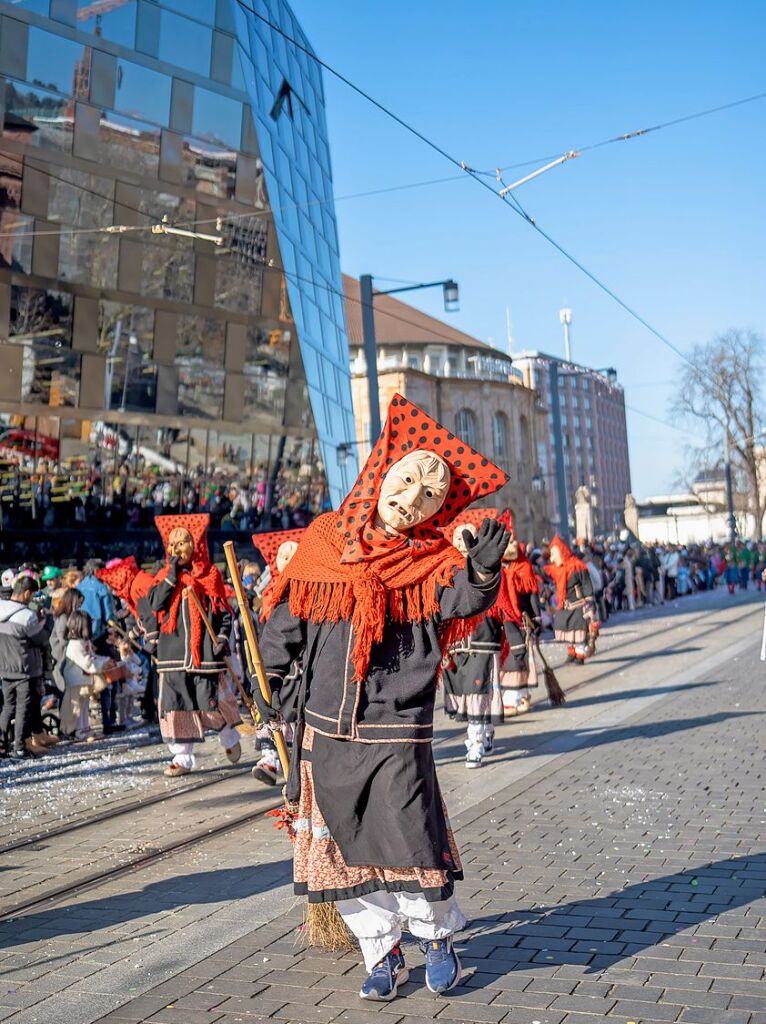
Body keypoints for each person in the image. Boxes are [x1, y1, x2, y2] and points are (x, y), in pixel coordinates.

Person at [259, 394, 510, 1001]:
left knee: (409, 839)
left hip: (398, 724)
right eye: (404, 484)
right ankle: (383, 951)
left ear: (439, 507)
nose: (410, 500)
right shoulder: (324, 539)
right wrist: (272, 688)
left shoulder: (432, 559)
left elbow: (462, 603)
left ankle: (437, 939)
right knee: (346, 846)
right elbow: (286, 625)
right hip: (326, 725)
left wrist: (479, 573)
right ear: (380, 475)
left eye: (429, 495)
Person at [146, 514, 241, 777]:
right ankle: (182, 757)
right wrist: (172, 577)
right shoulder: (165, 576)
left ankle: (228, 735)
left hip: (205, 654)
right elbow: (155, 606)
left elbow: (222, 612)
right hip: (173, 654)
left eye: (183, 542)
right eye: (172, 544)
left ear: (196, 544)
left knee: (210, 702)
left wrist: (221, 639)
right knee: (176, 706)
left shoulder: (210, 574)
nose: (177, 549)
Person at [441, 518, 504, 770]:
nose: (462, 543)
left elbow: (502, 601)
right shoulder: (444, 568)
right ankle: (485, 729)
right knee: (464, 690)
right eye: (457, 538)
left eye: (467, 537)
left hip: (481, 639)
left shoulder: (488, 566)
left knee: (477, 690)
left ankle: (475, 744)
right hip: (455, 642)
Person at [0, 576, 55, 758]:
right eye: (31, 595)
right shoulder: (27, 616)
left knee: (8, 707)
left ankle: (1, 744)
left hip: (5, 667)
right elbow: (42, 639)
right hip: (24, 669)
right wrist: (46, 620)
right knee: (23, 708)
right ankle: (19, 746)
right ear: (26, 593)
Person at [77, 560, 121, 735]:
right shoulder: (101, 589)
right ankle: (108, 720)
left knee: (84, 680)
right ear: (98, 571)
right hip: (99, 636)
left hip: (81, 636)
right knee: (110, 675)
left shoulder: (80, 586)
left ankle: (82, 724)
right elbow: (109, 615)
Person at [544, 535, 597, 663]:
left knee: (578, 630)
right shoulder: (557, 569)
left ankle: (580, 655)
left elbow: (586, 585)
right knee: (564, 627)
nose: (552, 558)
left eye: (554, 554)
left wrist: (590, 603)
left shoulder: (577, 566)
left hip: (577, 604)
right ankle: (571, 652)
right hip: (564, 605)